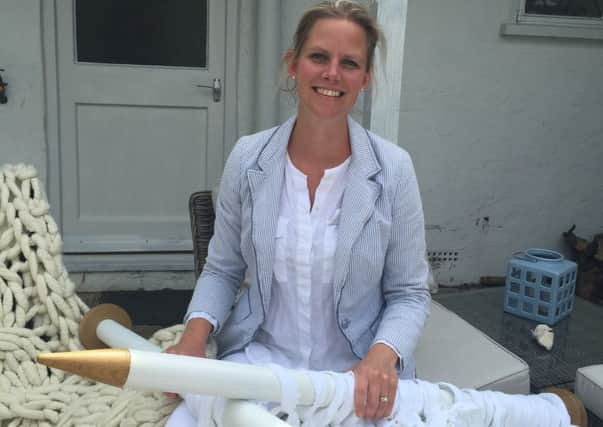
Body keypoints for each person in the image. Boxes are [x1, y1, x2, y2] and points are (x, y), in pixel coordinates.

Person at [165, 1, 431, 424]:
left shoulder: (394, 171)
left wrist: (381, 358)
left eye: (349, 63)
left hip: (354, 377)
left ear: (365, 78)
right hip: (260, 367)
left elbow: (410, 293)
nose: (332, 74)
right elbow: (222, 269)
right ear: (293, 64)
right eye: (319, 57)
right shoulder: (249, 158)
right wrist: (194, 339)